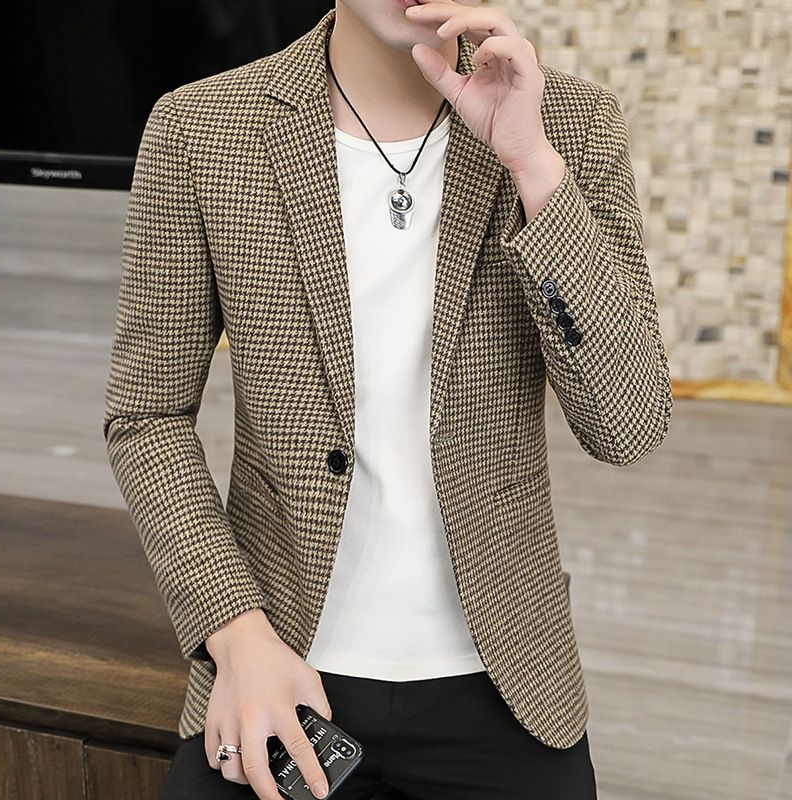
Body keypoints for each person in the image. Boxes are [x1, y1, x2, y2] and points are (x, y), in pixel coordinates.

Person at [103, 1, 673, 798]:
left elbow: (629, 424)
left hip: (506, 678)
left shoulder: (570, 124)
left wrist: (532, 166)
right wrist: (235, 633)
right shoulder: (201, 128)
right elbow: (146, 416)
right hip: (278, 658)